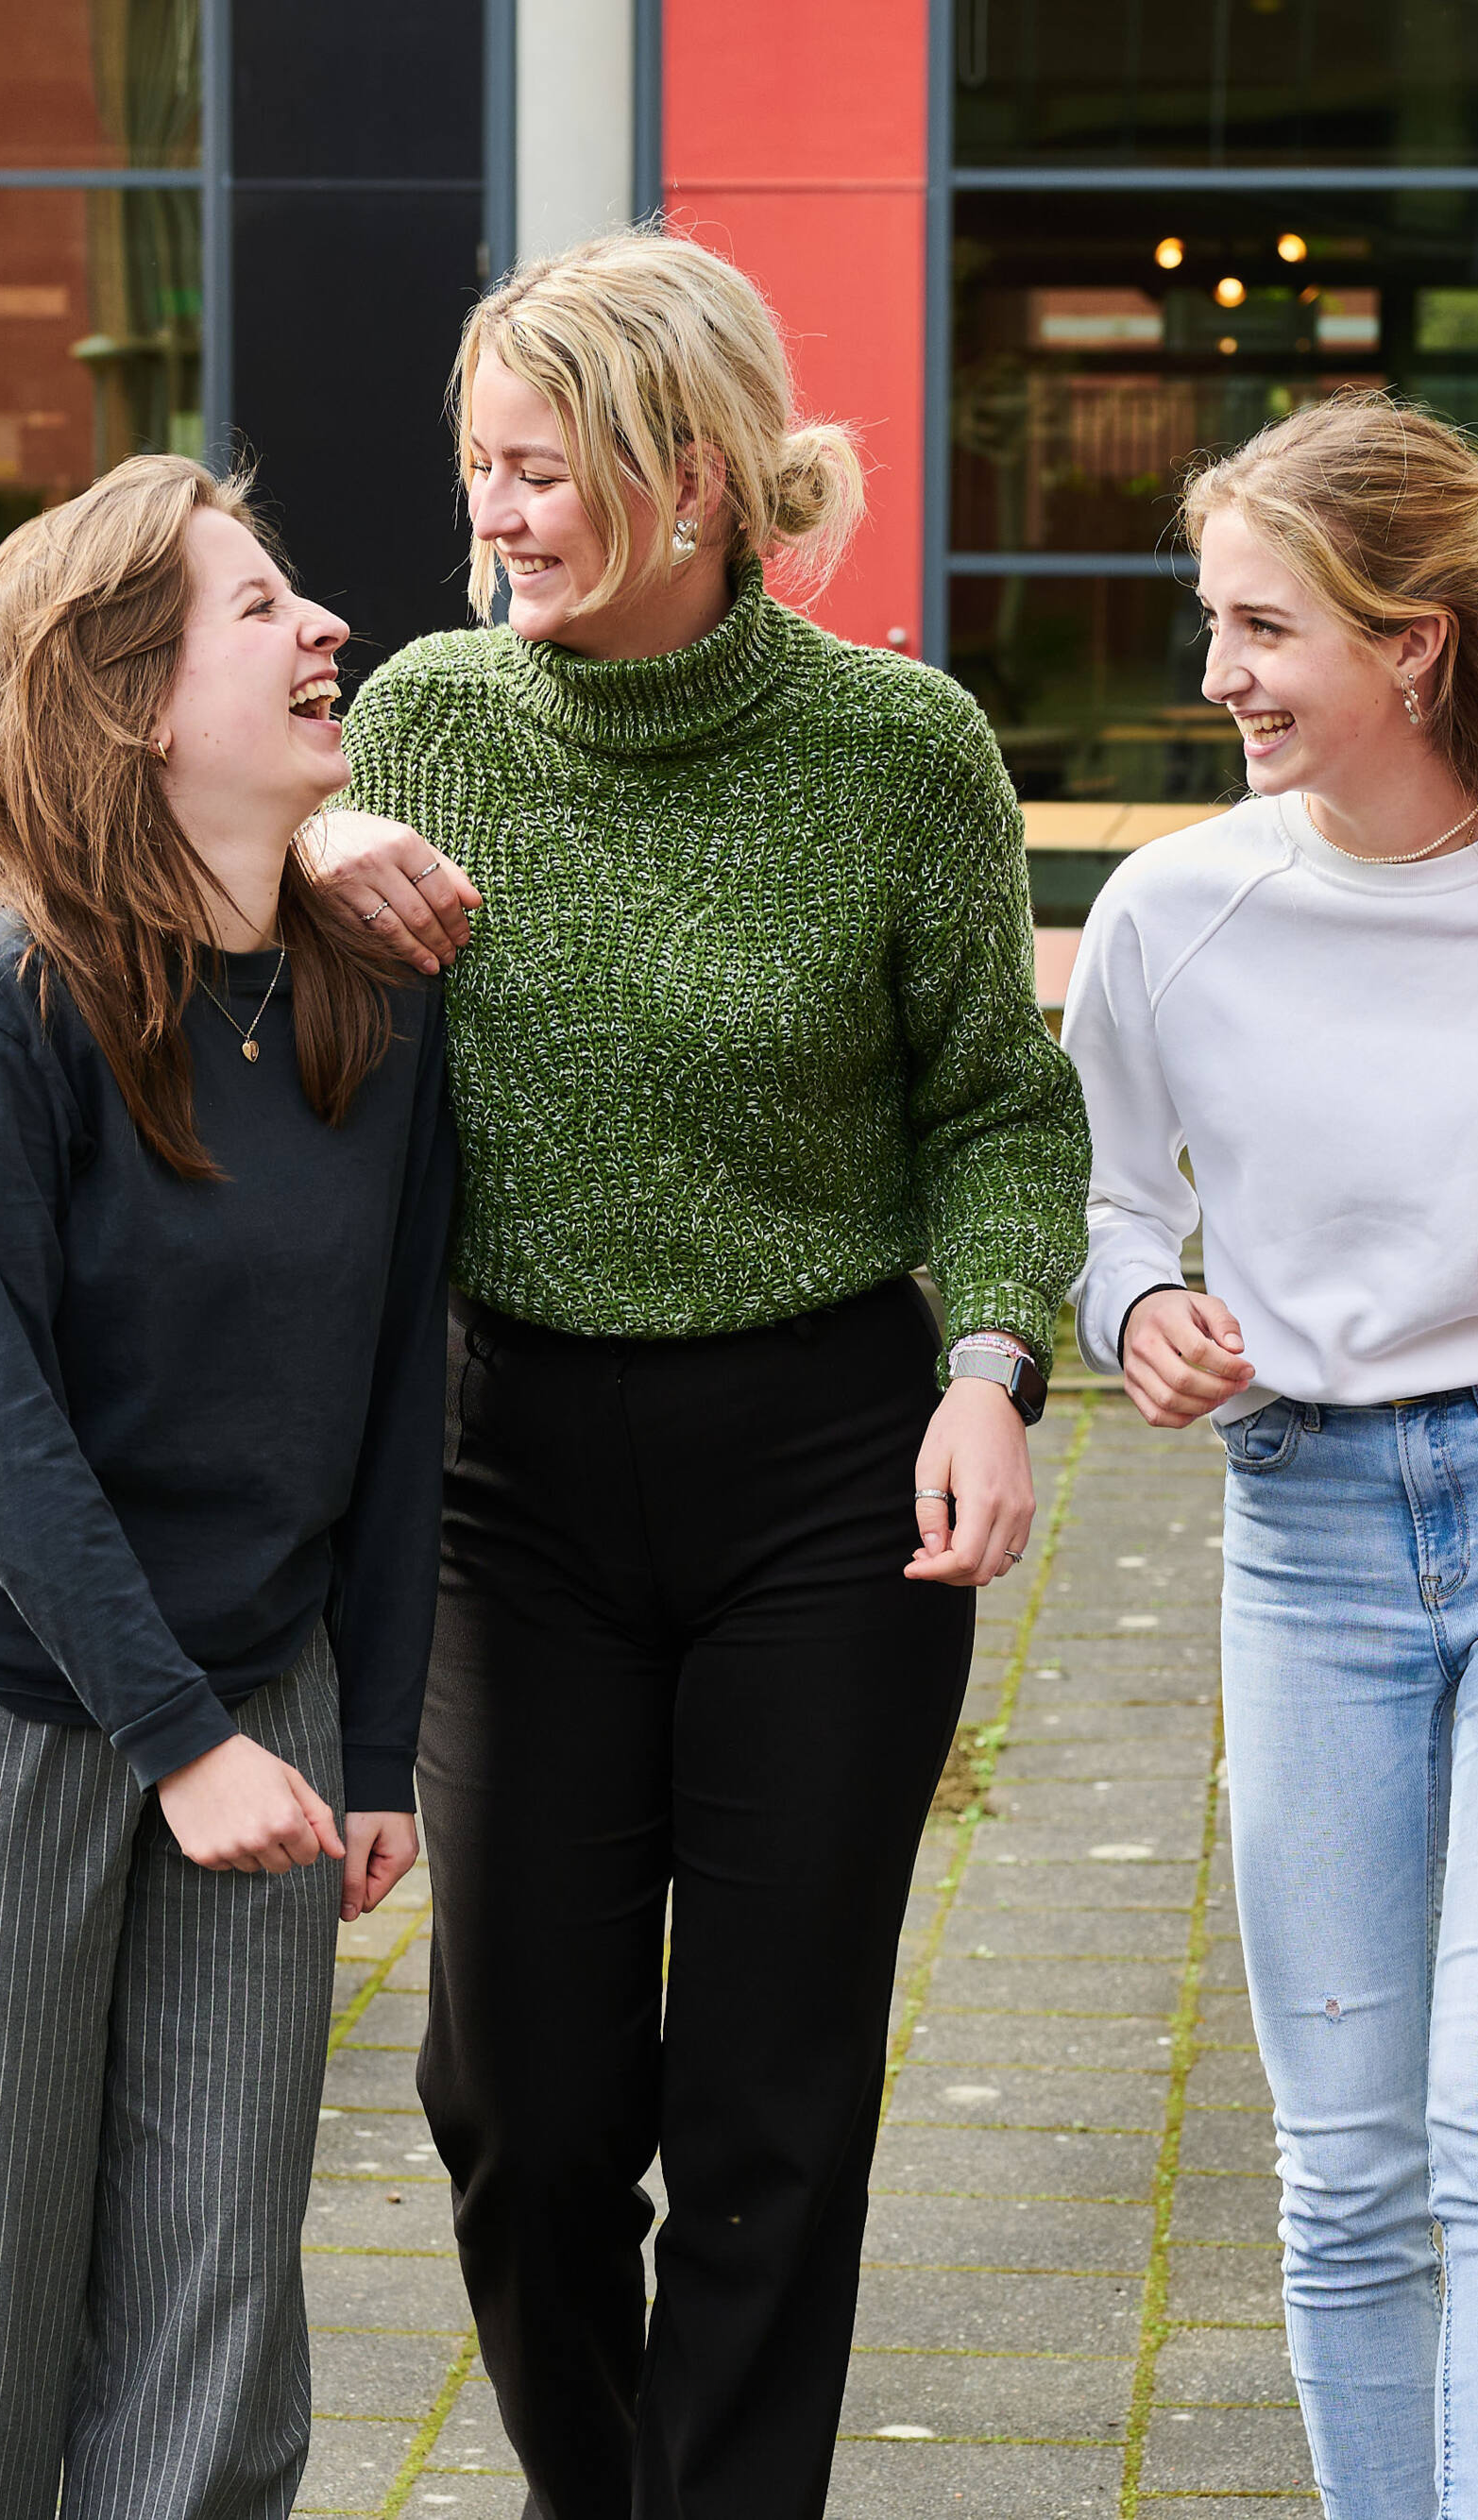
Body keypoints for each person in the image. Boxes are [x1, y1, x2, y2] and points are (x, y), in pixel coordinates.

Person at [294, 226, 1091, 2520]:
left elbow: (998, 1107)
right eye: (480, 466)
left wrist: (990, 1363)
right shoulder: (423, 721)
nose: (495, 513)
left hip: (825, 1475)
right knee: (518, 2103)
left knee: (767, 2105)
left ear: (695, 478)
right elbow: (200, 900)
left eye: (541, 470)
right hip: (509, 1474)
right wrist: (308, 834)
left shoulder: (897, 749)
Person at [1060, 392, 1478, 2519]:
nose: (1217, 675)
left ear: (1414, 642)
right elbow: (1104, 1211)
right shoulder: (1170, 914)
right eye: (1213, 622)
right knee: (1344, 2162)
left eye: (1263, 628)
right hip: (1308, 1535)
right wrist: (1135, 1313)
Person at [0, 453, 457, 2520]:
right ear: (131, 699)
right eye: (257, 606)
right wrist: (176, 1742)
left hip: (254, 1687)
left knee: (212, 2336)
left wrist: (370, 1743)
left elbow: (395, 1396)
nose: (324, 624)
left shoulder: (372, 997)